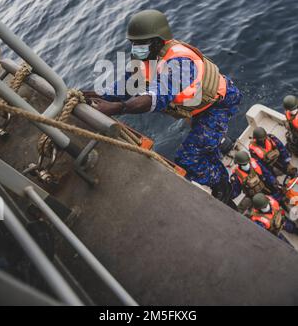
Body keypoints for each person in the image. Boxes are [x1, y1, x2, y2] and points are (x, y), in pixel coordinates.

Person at [86, 10, 242, 203]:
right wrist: (84, 96)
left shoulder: (180, 63)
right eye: (133, 44)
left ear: (159, 42)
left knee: (188, 159)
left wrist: (118, 108)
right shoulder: (146, 61)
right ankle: (218, 143)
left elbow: (154, 98)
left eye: (141, 44)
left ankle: (226, 187)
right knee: (203, 142)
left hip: (219, 105)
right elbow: (118, 90)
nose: (136, 49)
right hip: (198, 107)